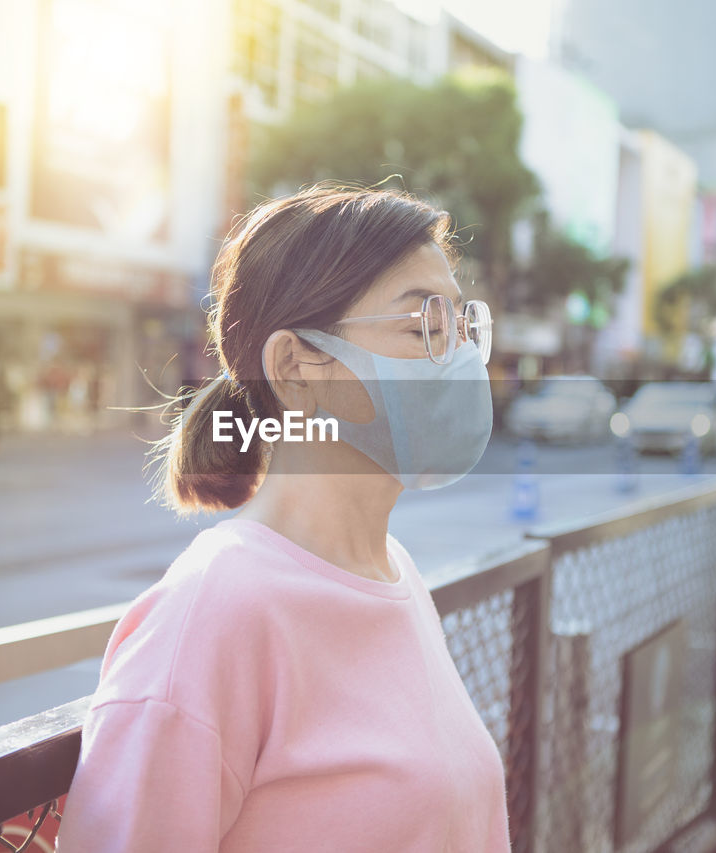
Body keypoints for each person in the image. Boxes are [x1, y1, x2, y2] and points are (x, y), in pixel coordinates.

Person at [56, 186, 509, 852]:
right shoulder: (213, 611)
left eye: (463, 327)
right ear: (297, 368)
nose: (462, 357)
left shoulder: (394, 572)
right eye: (423, 328)